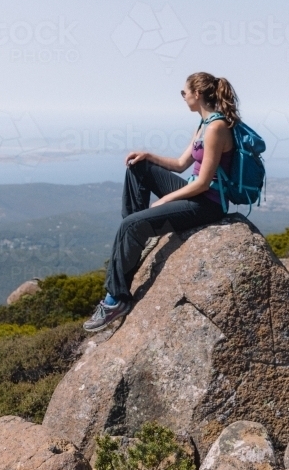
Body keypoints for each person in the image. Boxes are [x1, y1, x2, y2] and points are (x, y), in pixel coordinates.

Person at [83, 72, 238, 333]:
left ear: (196, 94)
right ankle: (136, 234)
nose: (183, 97)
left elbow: (202, 183)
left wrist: (166, 199)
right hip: (194, 193)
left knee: (131, 227)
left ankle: (116, 300)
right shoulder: (204, 124)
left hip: (208, 204)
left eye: (184, 92)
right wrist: (148, 155)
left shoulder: (216, 129)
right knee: (138, 168)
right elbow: (180, 164)